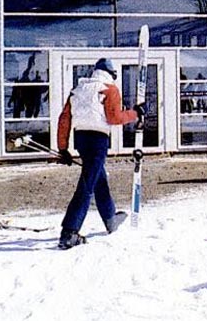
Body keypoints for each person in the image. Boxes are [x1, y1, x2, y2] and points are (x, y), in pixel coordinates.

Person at [57, 58, 145, 250]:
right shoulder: (109, 89)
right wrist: (135, 114)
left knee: (98, 178)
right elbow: (114, 117)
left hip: (81, 138)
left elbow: (64, 119)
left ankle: (110, 217)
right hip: (98, 140)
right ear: (112, 74)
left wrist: (63, 148)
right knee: (87, 184)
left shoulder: (78, 89)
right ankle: (69, 232)